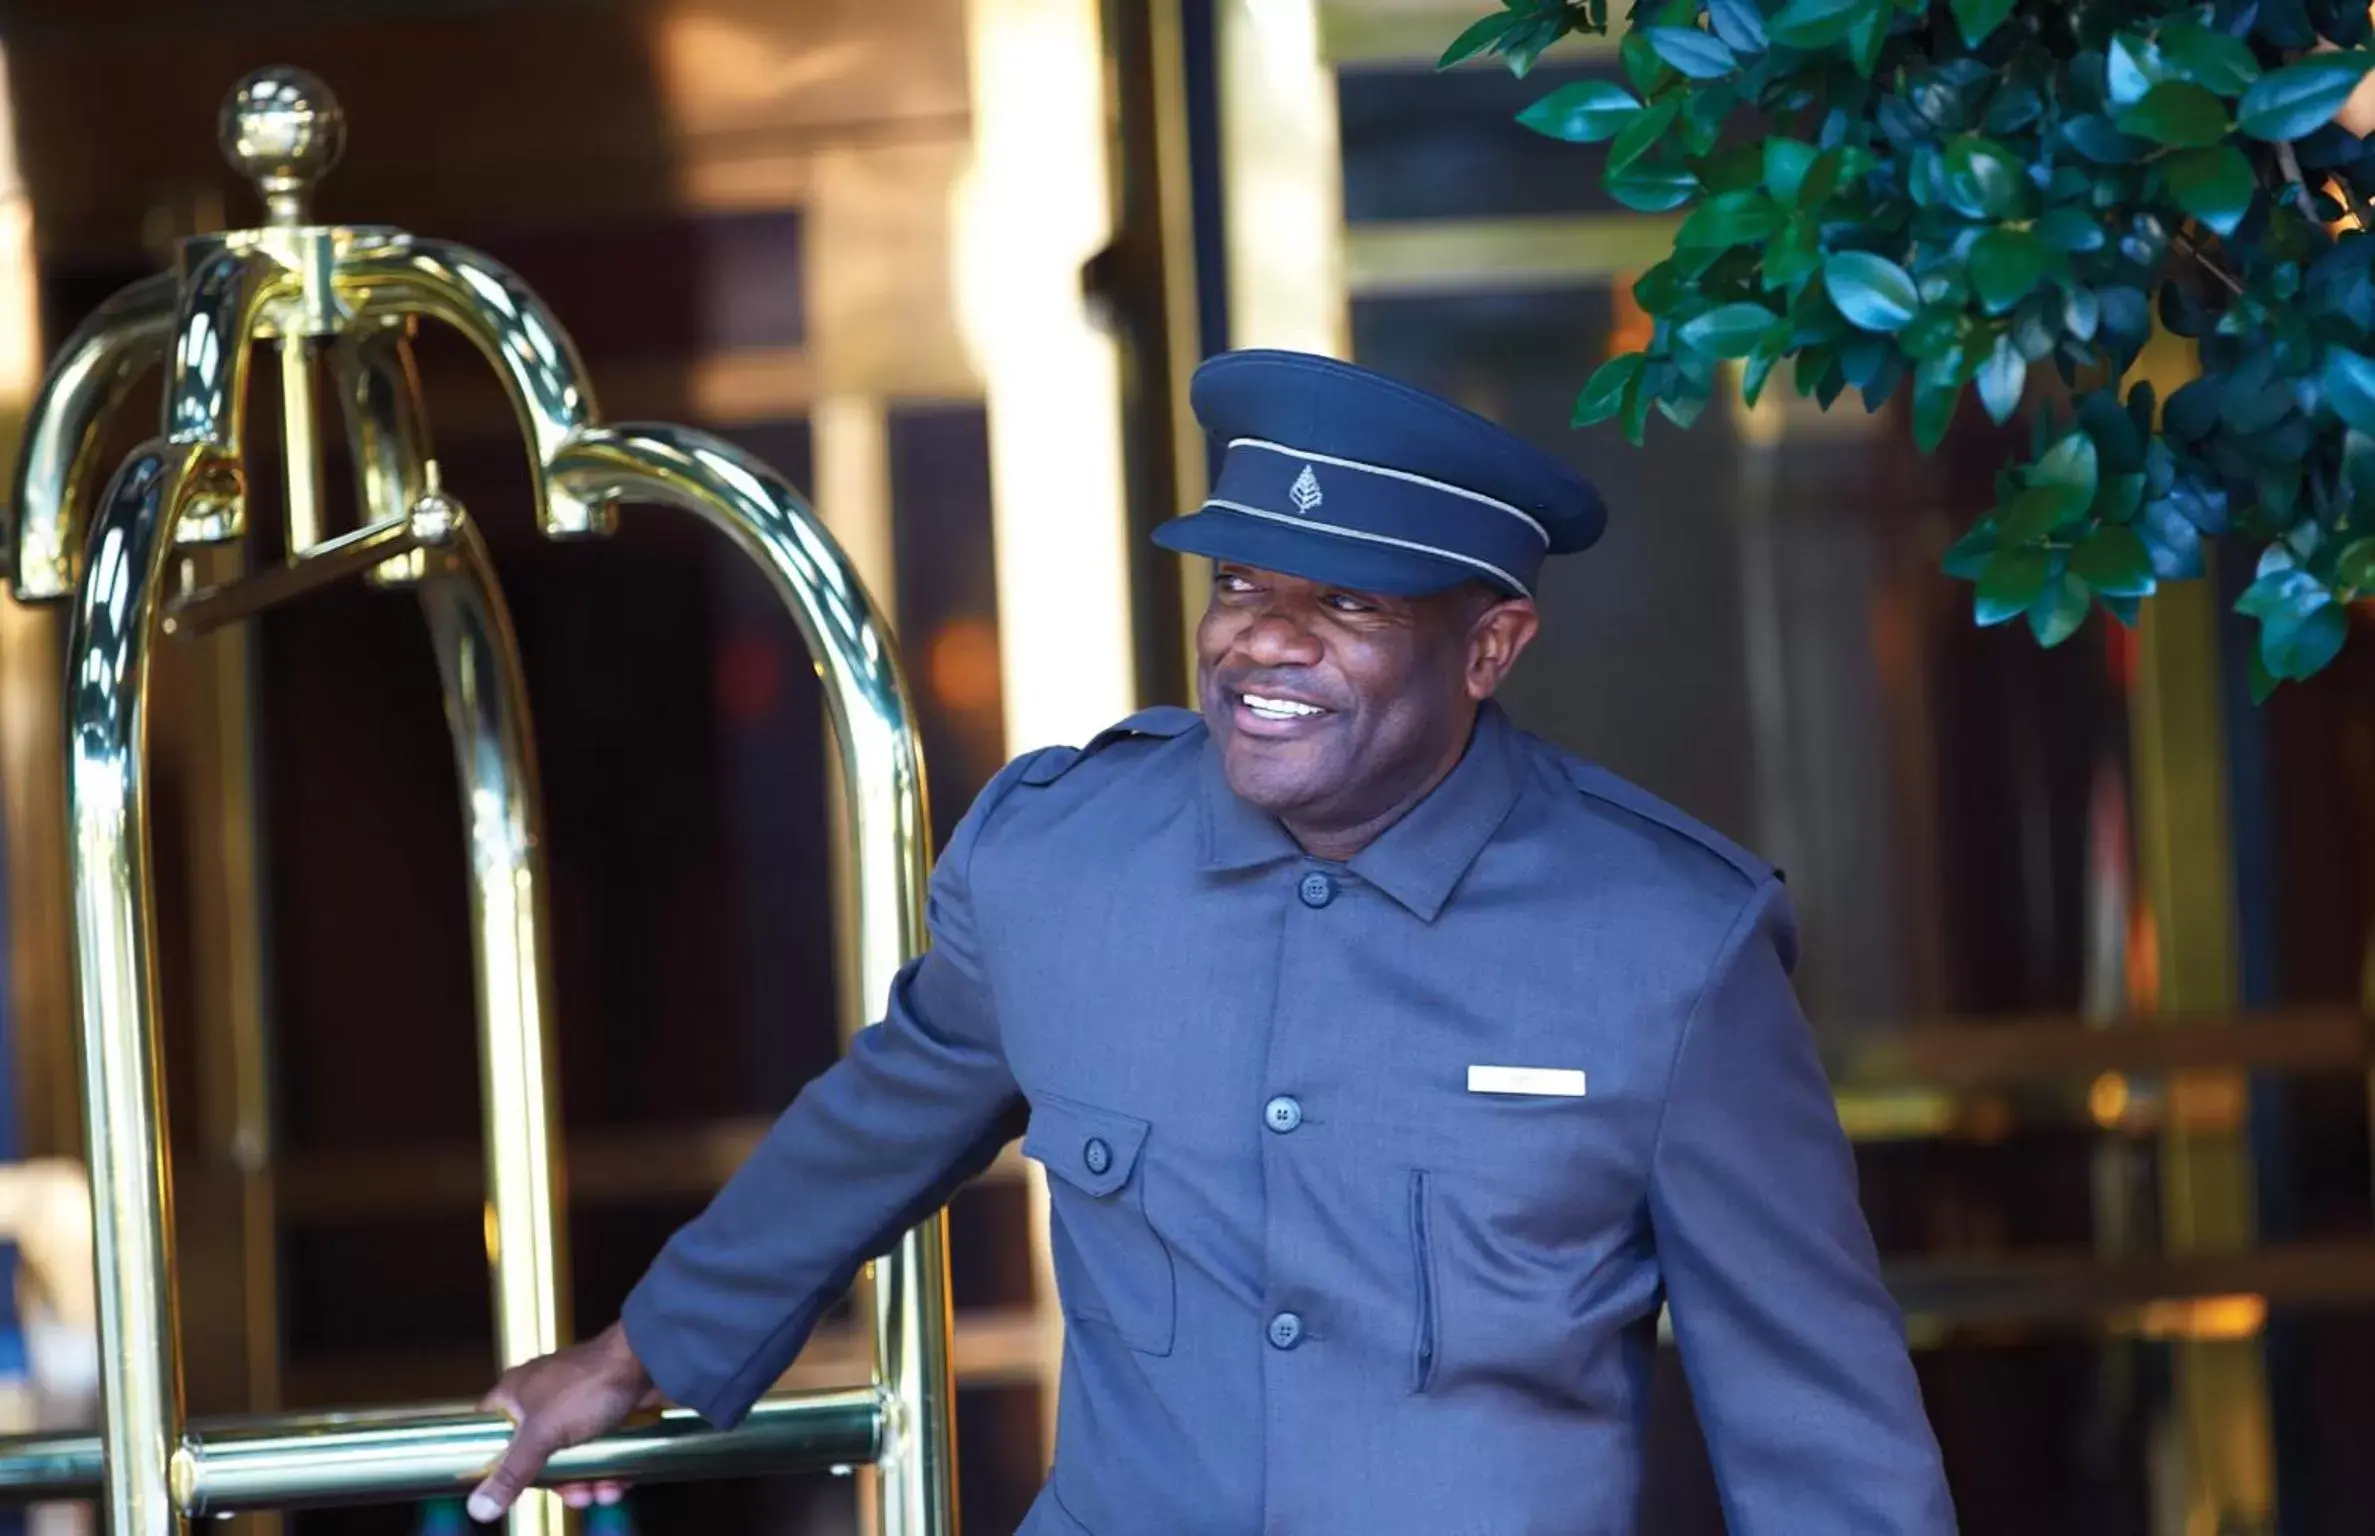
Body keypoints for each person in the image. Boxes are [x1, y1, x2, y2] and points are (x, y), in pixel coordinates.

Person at [467, 349, 1958, 1533]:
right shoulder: (1057, 860)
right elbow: (877, 1122)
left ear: (1488, 649)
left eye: (1344, 604)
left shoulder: (1664, 943)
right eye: (1239, 584)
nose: (1260, 639)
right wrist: (640, 1352)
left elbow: (1814, 1423)